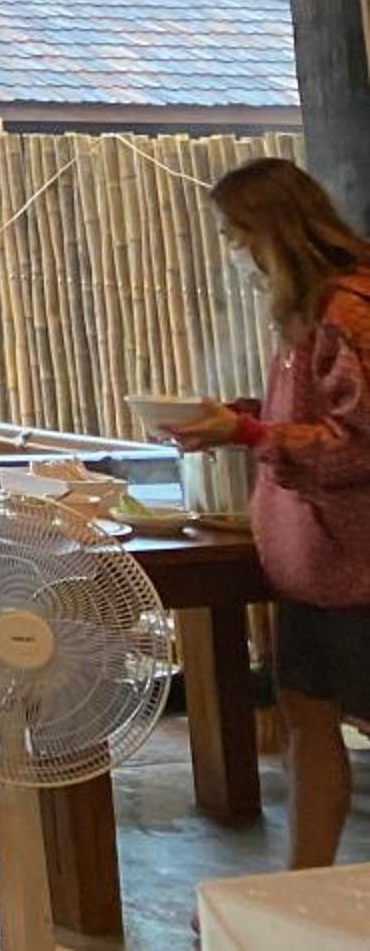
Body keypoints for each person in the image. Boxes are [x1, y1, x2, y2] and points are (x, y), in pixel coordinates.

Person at [164, 157, 370, 869]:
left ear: (274, 230)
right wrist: (238, 420)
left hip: (356, 564)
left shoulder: (349, 312)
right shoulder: (307, 313)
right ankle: (299, 889)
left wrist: (250, 434)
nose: (234, 251)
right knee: (306, 718)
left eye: (237, 234)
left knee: (321, 717)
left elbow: (357, 443)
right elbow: (315, 416)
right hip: (319, 565)